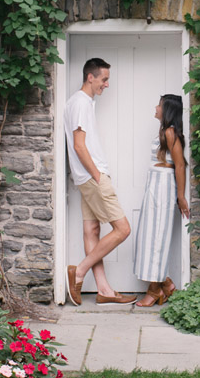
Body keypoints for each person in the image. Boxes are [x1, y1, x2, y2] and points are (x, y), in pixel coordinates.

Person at [63, 58, 136, 305]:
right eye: (104, 79)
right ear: (90, 77)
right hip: (92, 177)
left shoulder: (78, 102)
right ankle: (79, 271)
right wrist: (97, 175)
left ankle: (104, 290)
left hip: (84, 178)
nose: (106, 84)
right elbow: (79, 146)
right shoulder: (82, 103)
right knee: (123, 229)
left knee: (92, 230)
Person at [132, 94, 190, 307]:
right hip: (154, 185)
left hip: (164, 187)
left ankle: (155, 290)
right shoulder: (164, 132)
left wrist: (181, 197)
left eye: (159, 104)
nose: (155, 107)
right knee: (148, 237)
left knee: (156, 238)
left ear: (167, 110)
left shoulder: (170, 132)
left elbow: (180, 165)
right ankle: (166, 283)